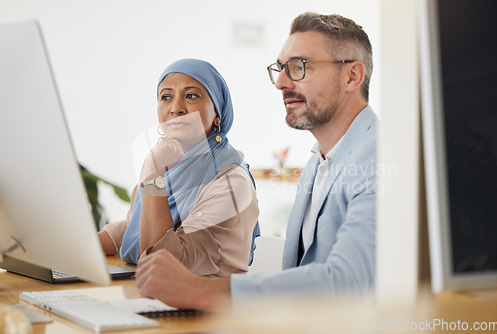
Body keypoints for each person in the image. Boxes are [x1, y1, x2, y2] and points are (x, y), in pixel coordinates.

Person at [135, 12, 377, 310]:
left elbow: (349, 279)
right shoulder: (317, 162)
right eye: (280, 68)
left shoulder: (379, 157)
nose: (281, 83)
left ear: (352, 76)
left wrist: (201, 290)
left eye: (299, 67)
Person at [98, 59, 260, 276]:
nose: (176, 108)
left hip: (207, 304)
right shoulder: (167, 166)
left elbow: (163, 264)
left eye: (191, 96)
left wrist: (153, 176)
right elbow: (133, 228)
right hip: (154, 296)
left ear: (217, 114)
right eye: (166, 97)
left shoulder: (231, 182)